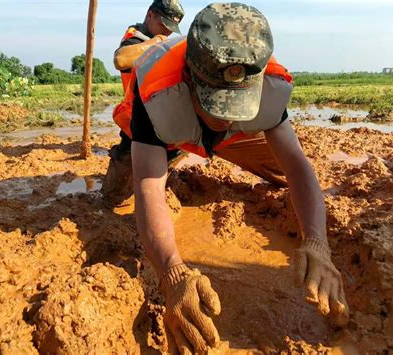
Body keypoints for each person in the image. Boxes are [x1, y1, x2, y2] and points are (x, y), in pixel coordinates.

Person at [119, 3, 350, 353]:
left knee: (278, 173)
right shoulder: (157, 91)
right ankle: (171, 155)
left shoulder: (268, 86)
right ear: (189, 77)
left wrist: (318, 242)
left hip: (229, 136)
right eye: (215, 102)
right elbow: (148, 188)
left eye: (234, 104)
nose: (222, 116)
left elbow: (298, 167)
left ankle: (213, 132)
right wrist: (172, 273)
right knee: (120, 189)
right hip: (166, 131)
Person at [102, 0, 185, 202]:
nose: (166, 32)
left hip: (167, 121)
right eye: (163, 25)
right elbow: (121, 60)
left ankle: (160, 179)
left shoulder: (169, 43)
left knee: (169, 158)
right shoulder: (137, 38)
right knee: (116, 195)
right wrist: (156, 43)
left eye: (170, 29)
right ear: (150, 15)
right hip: (138, 121)